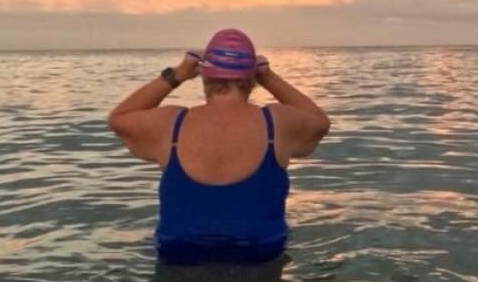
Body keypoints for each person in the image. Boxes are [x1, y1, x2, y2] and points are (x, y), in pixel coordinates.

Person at [107, 29, 330, 267]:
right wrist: (269, 77)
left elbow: (119, 117)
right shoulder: (277, 124)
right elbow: (319, 121)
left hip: (179, 252)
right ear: (251, 81)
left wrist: (177, 75)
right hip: (259, 253)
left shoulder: (170, 124)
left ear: (204, 77)